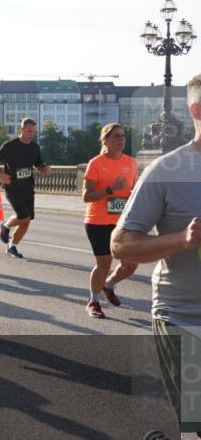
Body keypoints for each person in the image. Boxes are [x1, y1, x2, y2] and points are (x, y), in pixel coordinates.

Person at [112, 73, 201, 440]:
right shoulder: (166, 171)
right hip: (183, 322)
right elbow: (121, 244)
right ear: (198, 112)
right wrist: (182, 240)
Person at [81, 123, 138, 319]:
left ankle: (109, 284)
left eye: (123, 136)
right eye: (116, 136)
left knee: (131, 263)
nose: (121, 139)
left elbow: (133, 191)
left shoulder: (131, 163)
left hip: (123, 221)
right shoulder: (96, 163)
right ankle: (94, 301)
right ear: (105, 140)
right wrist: (110, 190)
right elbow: (86, 196)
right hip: (97, 220)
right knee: (104, 262)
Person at [0, 118, 51, 258]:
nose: (31, 134)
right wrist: (1, 174)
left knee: (27, 219)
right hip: (12, 186)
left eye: (34, 132)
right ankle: (5, 225)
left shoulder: (34, 147)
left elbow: (38, 163)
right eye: (29, 131)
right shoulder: (9, 145)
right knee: (23, 216)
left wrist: (45, 168)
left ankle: (12, 246)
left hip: (28, 187)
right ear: (22, 130)